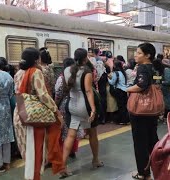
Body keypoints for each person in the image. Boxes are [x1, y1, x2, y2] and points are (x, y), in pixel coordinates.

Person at [13, 48, 64, 180]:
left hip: (20, 113)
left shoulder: (18, 73)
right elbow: (43, 95)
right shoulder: (36, 72)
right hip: (34, 117)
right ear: (37, 59)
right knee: (36, 152)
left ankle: (31, 176)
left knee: (28, 152)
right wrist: (56, 111)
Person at [61, 48, 103, 177]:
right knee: (92, 133)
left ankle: (62, 166)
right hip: (84, 106)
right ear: (85, 58)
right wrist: (94, 109)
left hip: (71, 104)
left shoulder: (67, 70)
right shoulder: (87, 72)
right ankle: (95, 160)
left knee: (70, 135)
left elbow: (66, 88)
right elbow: (88, 91)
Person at [127, 43, 159, 180]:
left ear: (148, 56)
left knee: (140, 142)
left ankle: (143, 173)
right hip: (153, 108)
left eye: (139, 53)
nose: (135, 55)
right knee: (152, 140)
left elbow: (142, 85)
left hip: (141, 110)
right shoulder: (155, 67)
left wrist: (127, 89)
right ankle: (158, 167)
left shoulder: (142, 67)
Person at [108, 60, 129, 125]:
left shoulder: (116, 73)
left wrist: (108, 78)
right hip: (124, 90)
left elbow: (112, 82)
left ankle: (122, 120)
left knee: (120, 106)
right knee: (124, 106)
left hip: (119, 90)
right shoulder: (123, 72)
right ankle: (126, 119)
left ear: (115, 66)